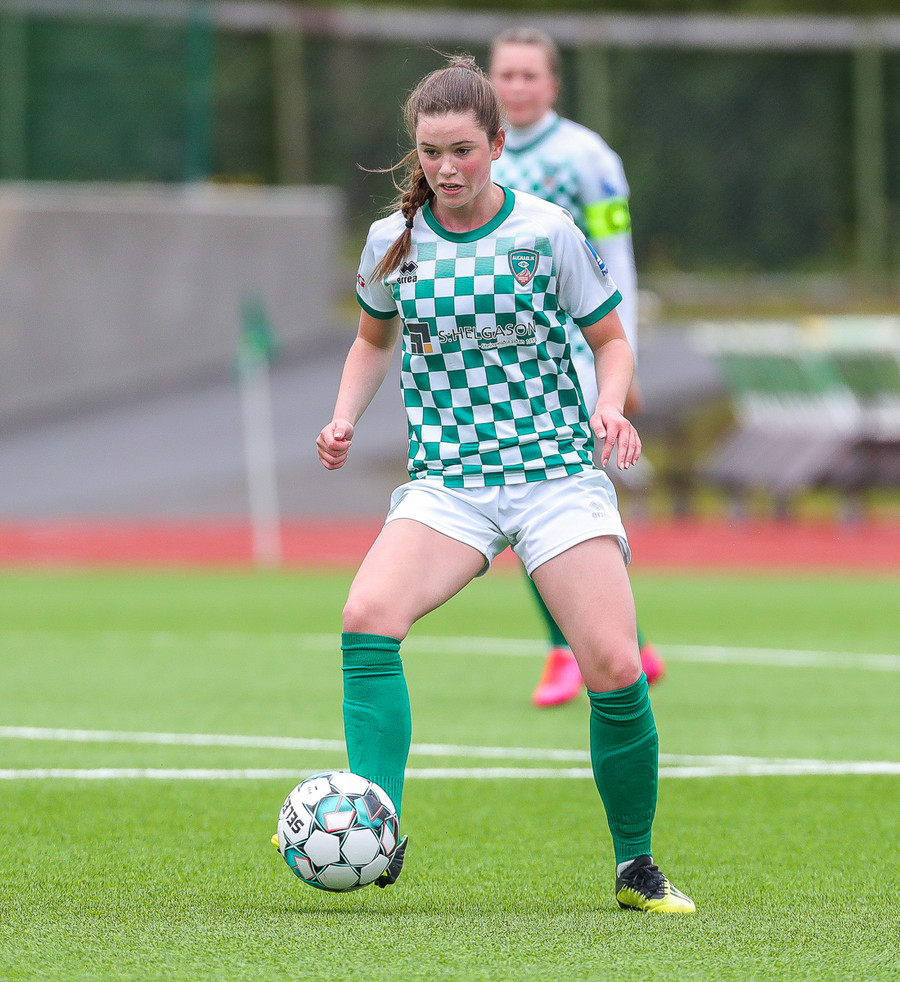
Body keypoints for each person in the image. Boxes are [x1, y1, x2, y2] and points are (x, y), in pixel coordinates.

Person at [314, 54, 694, 912]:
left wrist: (609, 406)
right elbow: (372, 341)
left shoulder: (547, 231)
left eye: (462, 151)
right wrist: (343, 418)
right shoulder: (391, 240)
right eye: (431, 153)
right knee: (367, 618)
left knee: (613, 663)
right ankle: (378, 831)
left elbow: (611, 341)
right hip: (449, 484)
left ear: (495, 145)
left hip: (555, 477)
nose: (446, 169)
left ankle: (636, 865)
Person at [488, 28, 666, 708]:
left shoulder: (587, 157)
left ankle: (570, 650)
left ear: (553, 84)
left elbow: (616, 254)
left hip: (579, 355)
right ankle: (628, 645)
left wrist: (624, 357)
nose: (517, 87)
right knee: (529, 498)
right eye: (506, 74)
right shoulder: (477, 157)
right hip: (507, 362)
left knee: (551, 498)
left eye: (529, 75)